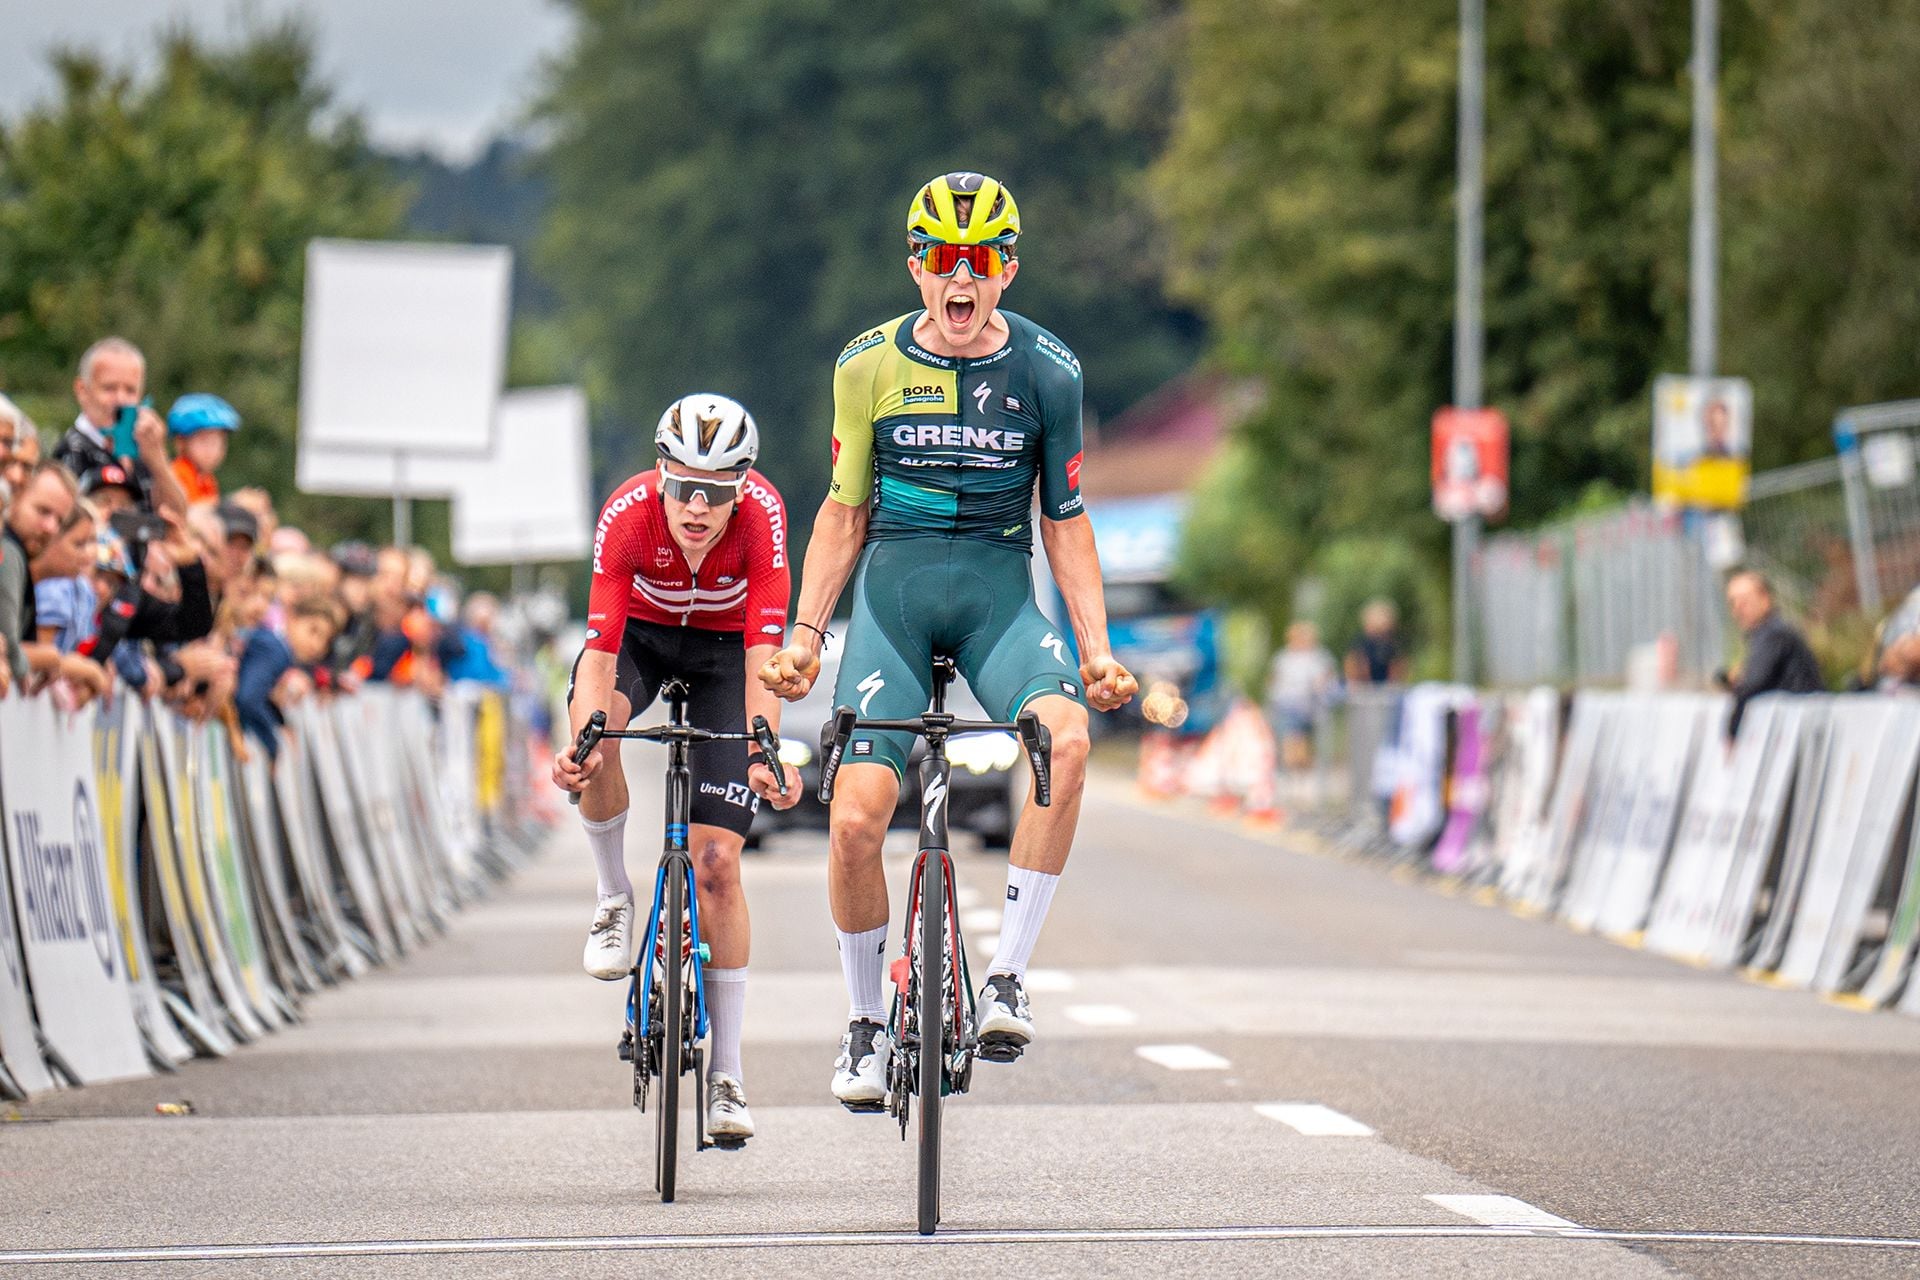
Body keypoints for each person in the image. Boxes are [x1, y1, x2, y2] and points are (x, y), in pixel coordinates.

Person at [756, 171, 1137, 1107]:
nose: (959, 280)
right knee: (851, 824)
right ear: (917, 267)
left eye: (979, 261)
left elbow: (1068, 517)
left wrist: (1094, 644)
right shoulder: (866, 365)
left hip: (998, 602)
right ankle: (861, 1026)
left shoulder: (1051, 369)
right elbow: (842, 514)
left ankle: (1005, 972)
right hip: (892, 600)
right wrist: (806, 635)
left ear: (1006, 269)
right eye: (941, 261)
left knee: (1070, 738)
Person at [551, 392, 801, 1144]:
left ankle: (727, 1072)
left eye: (717, 490)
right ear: (660, 473)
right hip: (644, 640)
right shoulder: (628, 513)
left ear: (743, 486)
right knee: (597, 738)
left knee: (718, 861)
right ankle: (612, 893)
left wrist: (764, 747)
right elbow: (599, 650)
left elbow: (766, 656)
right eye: (684, 485)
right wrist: (589, 737)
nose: (697, 506)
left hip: (728, 655)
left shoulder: (762, 519)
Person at [0, 461, 109, 702]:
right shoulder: (9, 552)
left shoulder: (16, 555)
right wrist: (54, 659)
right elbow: (10, 652)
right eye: (42, 511)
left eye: (59, 520)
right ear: (16, 498)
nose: (50, 528)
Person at [53, 337, 190, 518]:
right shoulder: (71, 451)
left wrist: (157, 459)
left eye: (130, 390)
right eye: (109, 388)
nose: (121, 400)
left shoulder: (142, 452)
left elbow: (178, 516)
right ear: (82, 390)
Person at [1719, 570, 1824, 739]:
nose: (1738, 609)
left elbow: (1752, 684)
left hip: (1801, 730)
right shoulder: (1768, 633)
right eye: (1733, 603)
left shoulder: (1773, 634)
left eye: (1745, 601)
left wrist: (1732, 730)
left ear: (1765, 599)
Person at [1266, 620, 1338, 770]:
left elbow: (1327, 679)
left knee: (1297, 735)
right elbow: (1273, 682)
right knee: (1292, 732)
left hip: (1311, 706)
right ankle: (1294, 760)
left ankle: (1298, 760)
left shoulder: (1319, 657)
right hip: (1287, 706)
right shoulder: (1283, 658)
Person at [167, 393, 240, 505]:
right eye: (204, 441)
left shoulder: (207, 480)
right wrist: (233, 502)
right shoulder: (179, 473)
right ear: (181, 442)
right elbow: (192, 514)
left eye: (219, 442)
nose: (213, 450)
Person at [1345, 599, 1407, 686]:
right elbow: (1352, 670)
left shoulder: (1393, 645)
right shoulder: (1360, 644)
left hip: (1388, 690)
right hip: (1364, 689)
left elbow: (1398, 671)